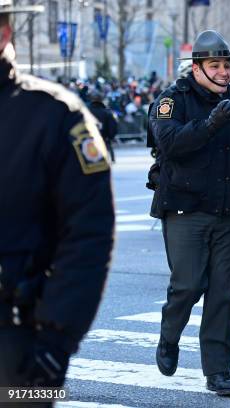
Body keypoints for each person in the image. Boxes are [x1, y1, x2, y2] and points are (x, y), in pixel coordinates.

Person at [0, 1, 115, 401]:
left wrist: (57, 340)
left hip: (17, 342)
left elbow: (89, 234)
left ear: (3, 33)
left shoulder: (55, 116)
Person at [149, 30, 230, 397]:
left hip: (228, 213)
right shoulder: (172, 100)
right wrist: (211, 124)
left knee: (223, 294)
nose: (223, 72)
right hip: (186, 208)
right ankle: (169, 338)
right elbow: (169, 144)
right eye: (215, 65)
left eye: (226, 65)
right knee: (187, 286)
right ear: (197, 68)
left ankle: (218, 371)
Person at [88, 90, 118, 163]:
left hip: (89, 139)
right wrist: (111, 136)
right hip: (104, 138)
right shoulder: (107, 112)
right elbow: (113, 126)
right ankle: (111, 159)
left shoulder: (86, 111)